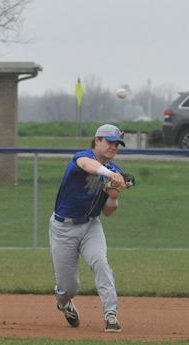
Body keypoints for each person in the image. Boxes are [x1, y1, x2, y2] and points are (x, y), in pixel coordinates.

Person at [49, 124, 127, 333]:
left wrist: (113, 197)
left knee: (100, 262)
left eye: (117, 144)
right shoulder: (83, 157)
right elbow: (87, 165)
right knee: (69, 287)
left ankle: (111, 314)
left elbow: (108, 211)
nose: (113, 147)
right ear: (97, 140)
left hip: (90, 225)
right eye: (109, 142)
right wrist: (109, 175)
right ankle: (64, 302)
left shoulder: (114, 171)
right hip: (63, 227)